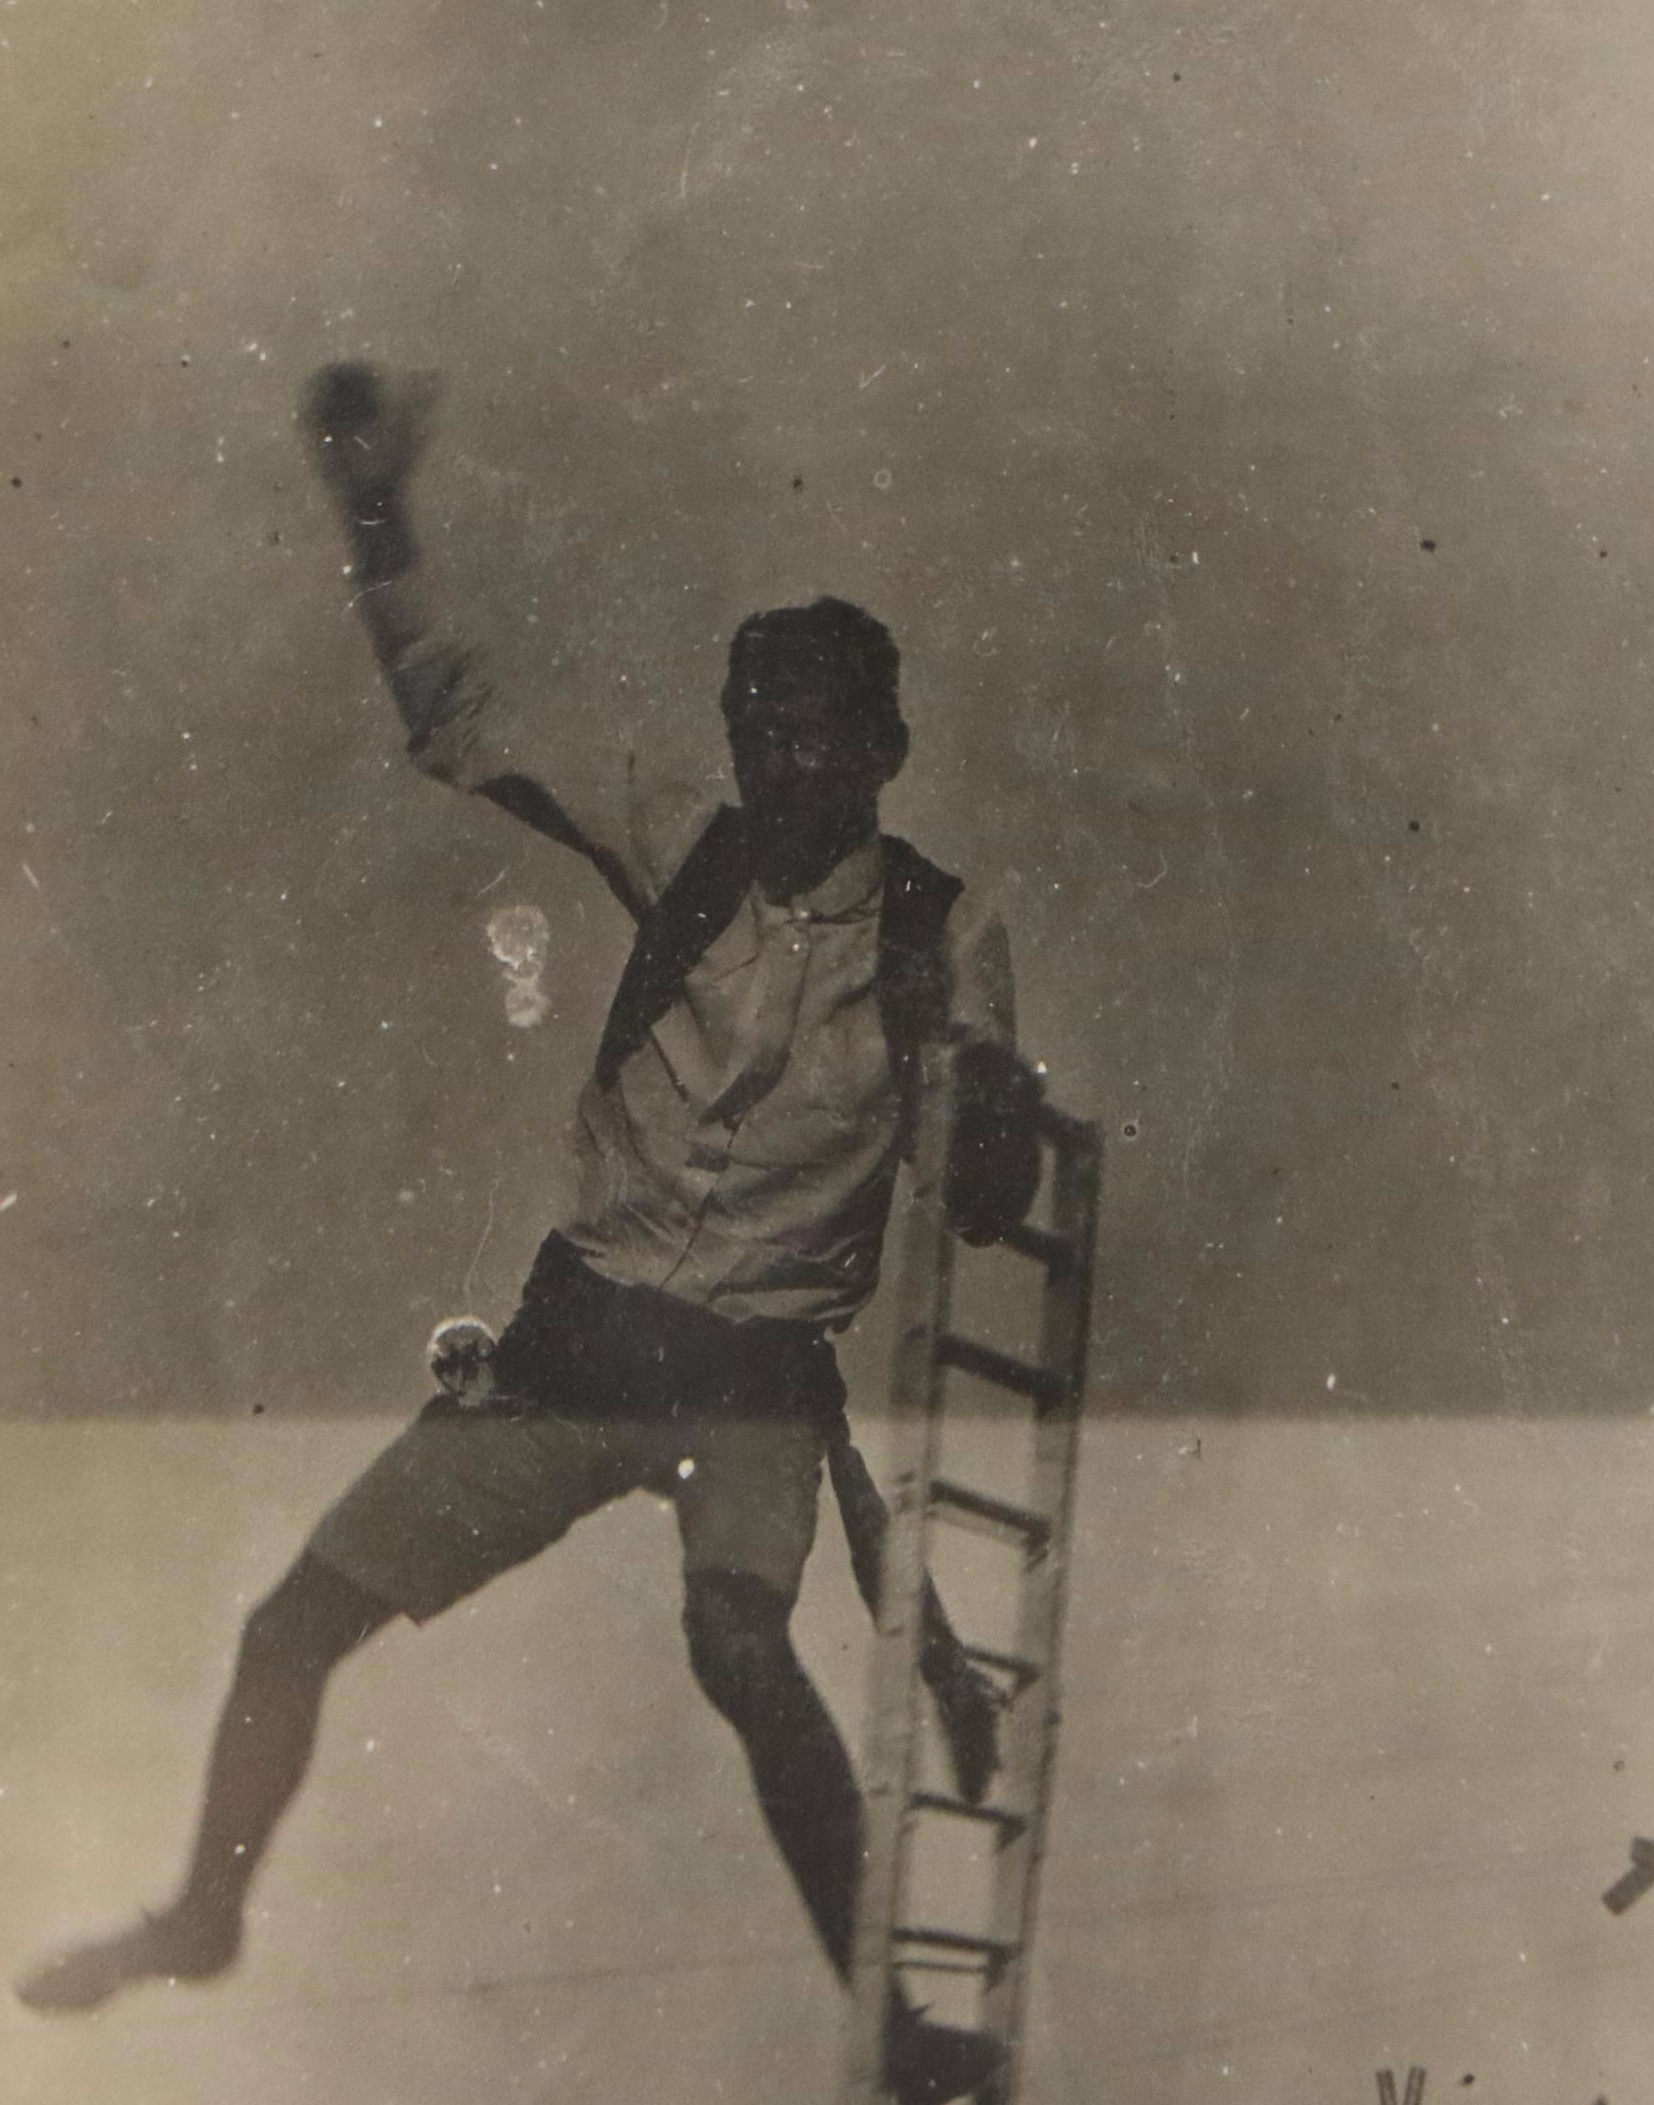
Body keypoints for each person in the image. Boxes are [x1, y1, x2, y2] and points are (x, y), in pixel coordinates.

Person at [17, 362, 1046, 2105]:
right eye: (755, 730)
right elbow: (461, 722)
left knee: (739, 1653)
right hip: (577, 1345)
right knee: (289, 1632)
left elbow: (1000, 1195)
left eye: (814, 736)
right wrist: (373, 516)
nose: (780, 768)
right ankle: (202, 1913)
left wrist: (999, 1110)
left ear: (883, 749)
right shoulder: (691, 844)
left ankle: (897, 2038)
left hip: (749, 1386)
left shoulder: (947, 940)